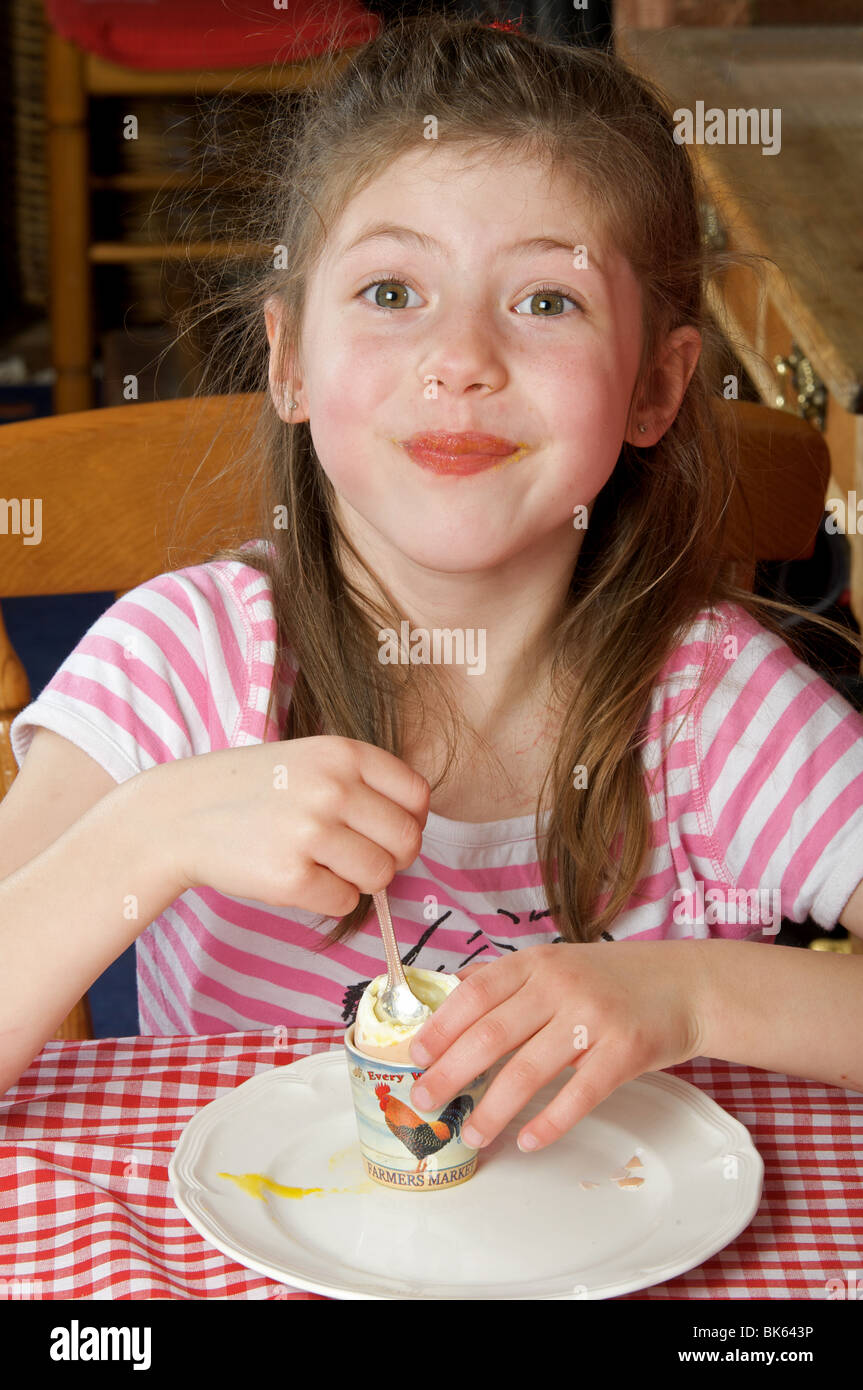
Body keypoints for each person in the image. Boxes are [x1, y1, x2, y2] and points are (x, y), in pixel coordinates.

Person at [4, 14, 863, 1154]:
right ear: (291, 359)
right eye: (392, 291)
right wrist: (149, 831)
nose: (460, 357)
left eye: (544, 301)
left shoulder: (707, 701)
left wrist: (689, 997)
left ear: (654, 388)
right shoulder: (184, 662)